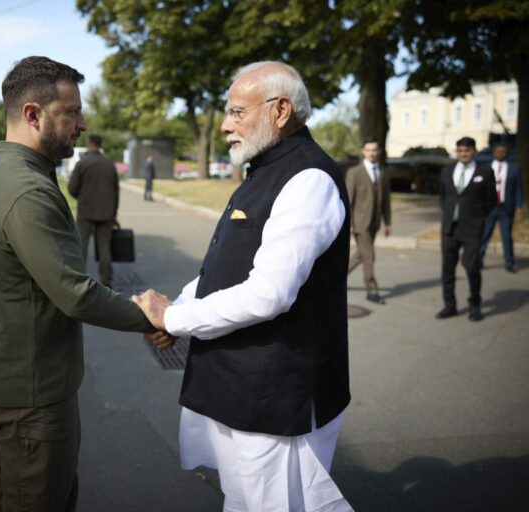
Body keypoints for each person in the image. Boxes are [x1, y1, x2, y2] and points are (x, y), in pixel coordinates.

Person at [133, 61, 353, 511]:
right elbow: (225, 270)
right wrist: (176, 312)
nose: (226, 126)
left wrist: (173, 317)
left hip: (274, 396)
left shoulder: (307, 178)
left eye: (236, 112)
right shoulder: (264, 169)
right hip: (239, 388)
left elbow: (267, 293)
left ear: (281, 110)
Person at [0, 56, 156, 512]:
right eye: (72, 111)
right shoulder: (26, 189)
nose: (83, 122)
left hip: (21, 381)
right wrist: (149, 316)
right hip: (33, 394)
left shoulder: (7, 173)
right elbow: (75, 292)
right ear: (33, 114)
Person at [436, 137, 496, 321]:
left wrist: (477, 218)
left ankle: (474, 305)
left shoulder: (485, 171)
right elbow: (443, 196)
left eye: (467, 150)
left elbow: (491, 201)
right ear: (457, 152)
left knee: (472, 267)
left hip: (471, 229)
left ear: (474, 152)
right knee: (447, 270)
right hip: (449, 229)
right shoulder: (447, 170)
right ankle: (449, 305)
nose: (463, 154)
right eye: (460, 150)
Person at [68, 133, 119, 287]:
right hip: (106, 212)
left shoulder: (82, 164)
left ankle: (80, 279)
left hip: (86, 211)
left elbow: (72, 188)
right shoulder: (109, 164)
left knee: (82, 245)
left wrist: (81, 197)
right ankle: (106, 280)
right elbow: (116, 191)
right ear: (100, 145)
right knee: (105, 247)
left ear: (89, 144)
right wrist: (113, 213)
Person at [345, 137, 392, 304]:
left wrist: (388, 223)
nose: (372, 153)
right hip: (359, 222)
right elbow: (348, 199)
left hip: (375, 221)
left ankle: (337, 278)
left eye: (374, 150)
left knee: (361, 255)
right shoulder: (354, 173)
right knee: (369, 255)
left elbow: (386, 200)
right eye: (368, 150)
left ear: (378, 151)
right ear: (363, 151)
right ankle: (372, 290)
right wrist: (348, 223)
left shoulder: (383, 172)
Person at [478, 142, 523, 273]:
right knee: (485, 234)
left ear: (507, 153)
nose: (500, 154)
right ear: (493, 152)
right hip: (489, 207)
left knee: (507, 236)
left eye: (503, 151)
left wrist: (518, 206)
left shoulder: (514, 168)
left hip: (506, 207)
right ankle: (479, 260)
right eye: (498, 151)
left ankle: (509, 263)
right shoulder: (486, 167)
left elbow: (519, 188)